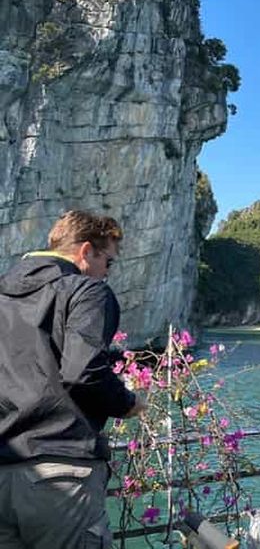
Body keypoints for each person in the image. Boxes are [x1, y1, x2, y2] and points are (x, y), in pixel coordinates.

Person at [0, 210, 146, 548]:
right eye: (108, 262)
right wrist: (127, 403)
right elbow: (83, 371)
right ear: (85, 252)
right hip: (60, 473)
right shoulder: (86, 291)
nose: (106, 273)